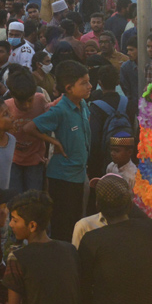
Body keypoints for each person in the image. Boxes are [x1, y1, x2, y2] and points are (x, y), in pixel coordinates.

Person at [77, 174, 152, 304]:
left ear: (97, 206)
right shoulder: (150, 228)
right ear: (130, 204)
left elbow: (83, 286)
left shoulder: (92, 239)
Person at [31, 61, 93, 241]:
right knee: (63, 225)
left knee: (76, 221)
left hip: (78, 173)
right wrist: (54, 142)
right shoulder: (59, 111)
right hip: (63, 177)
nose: (90, 86)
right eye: (84, 83)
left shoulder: (83, 105)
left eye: (89, 81)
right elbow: (29, 128)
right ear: (69, 88)